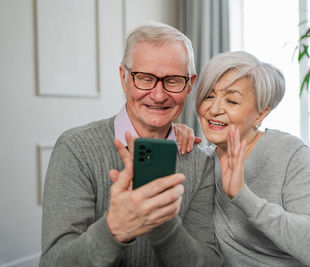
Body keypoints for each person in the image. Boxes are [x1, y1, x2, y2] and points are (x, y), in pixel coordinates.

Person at [40, 22, 223, 267]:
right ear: (123, 77)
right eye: (145, 78)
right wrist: (113, 230)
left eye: (173, 80)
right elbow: (53, 262)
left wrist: (161, 221)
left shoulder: (201, 161)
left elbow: (207, 263)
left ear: (190, 84)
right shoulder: (76, 149)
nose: (158, 95)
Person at [192, 51, 310, 266]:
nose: (214, 109)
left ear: (260, 114)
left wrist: (242, 195)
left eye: (232, 100)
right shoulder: (201, 162)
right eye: (208, 96)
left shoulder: (288, 151)